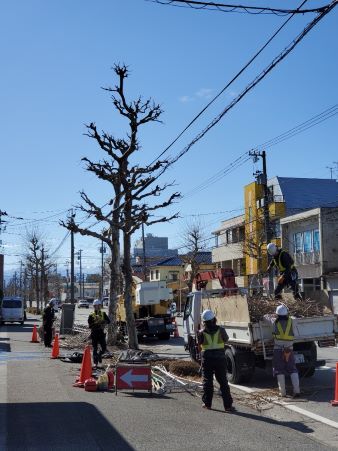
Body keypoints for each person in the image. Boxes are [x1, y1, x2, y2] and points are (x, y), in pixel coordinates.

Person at [197, 309, 234, 413]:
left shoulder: (201, 332)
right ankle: (228, 406)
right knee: (223, 382)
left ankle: (207, 404)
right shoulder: (221, 330)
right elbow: (226, 339)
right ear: (214, 319)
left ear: (204, 321)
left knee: (207, 381)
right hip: (220, 359)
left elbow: (199, 345)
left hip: (207, 359)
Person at [265, 304, 300, 398]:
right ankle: (297, 391)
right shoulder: (292, 321)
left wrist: (272, 315)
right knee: (292, 369)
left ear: (277, 314)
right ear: (286, 314)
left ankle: (283, 392)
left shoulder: (273, 321)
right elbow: (296, 317)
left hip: (278, 349)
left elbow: (265, 317)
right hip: (289, 349)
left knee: (279, 370)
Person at [88, 299, 110, 366]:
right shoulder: (91, 315)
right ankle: (95, 363)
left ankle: (99, 355)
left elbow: (108, 321)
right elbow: (90, 325)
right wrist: (95, 323)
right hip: (94, 333)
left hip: (101, 333)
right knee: (95, 348)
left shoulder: (103, 314)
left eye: (99, 305)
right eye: (96, 306)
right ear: (94, 306)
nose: (98, 307)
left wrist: (103, 322)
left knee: (104, 348)